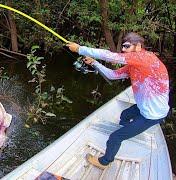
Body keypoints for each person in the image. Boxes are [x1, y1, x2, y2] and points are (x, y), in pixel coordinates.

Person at [66, 32, 170, 169]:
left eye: (127, 46)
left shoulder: (145, 58)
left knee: (115, 137)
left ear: (138, 46)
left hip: (152, 115)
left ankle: (105, 162)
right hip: (143, 107)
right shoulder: (135, 65)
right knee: (124, 115)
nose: (124, 49)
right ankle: (128, 131)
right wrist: (95, 63)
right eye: (123, 47)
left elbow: (110, 56)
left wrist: (80, 49)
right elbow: (113, 75)